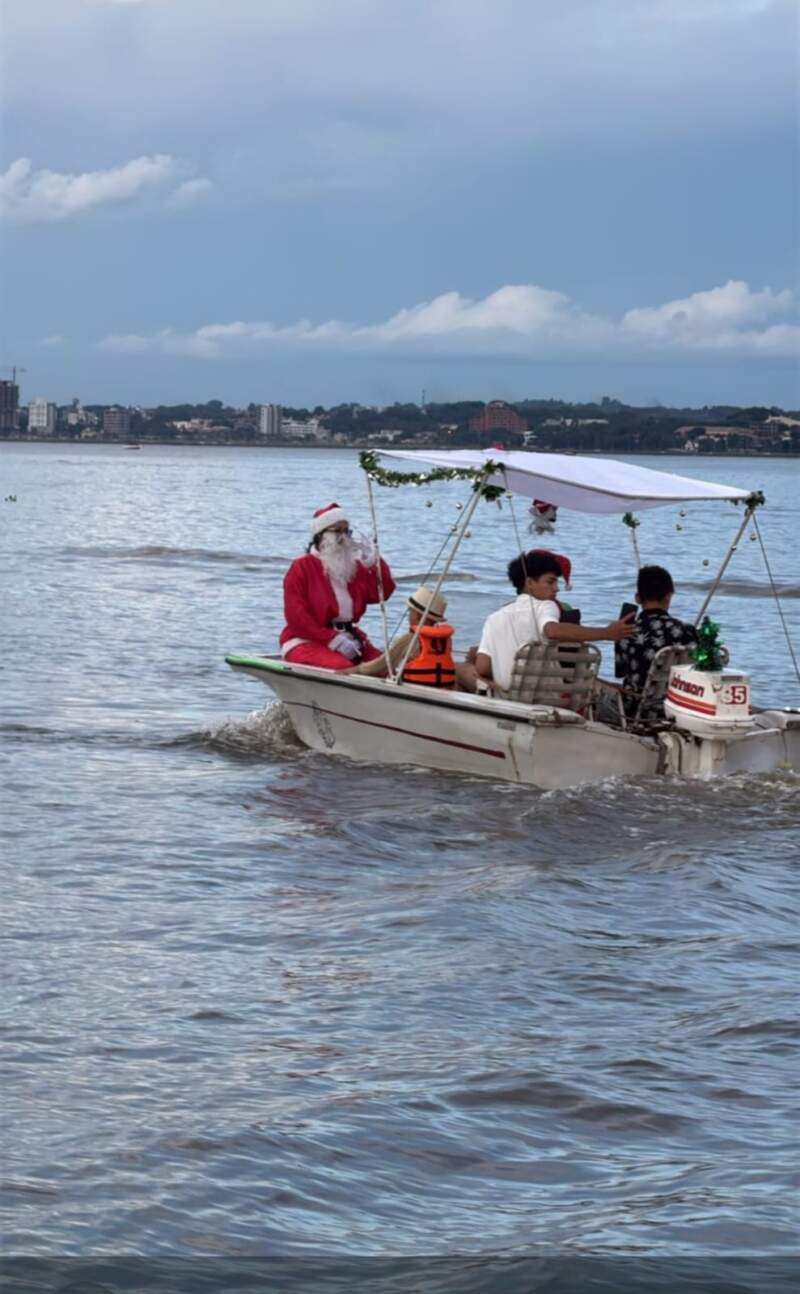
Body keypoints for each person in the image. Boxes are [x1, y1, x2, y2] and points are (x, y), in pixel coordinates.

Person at [475, 550, 635, 694]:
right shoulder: (545, 606)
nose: (556, 588)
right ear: (529, 583)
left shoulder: (493, 618)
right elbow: (552, 630)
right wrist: (606, 633)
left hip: (507, 699)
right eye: (550, 582)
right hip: (549, 699)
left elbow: (482, 667)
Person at [280, 502, 396, 669]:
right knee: (342, 667)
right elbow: (296, 617)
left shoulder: (353, 567)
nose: (344, 537)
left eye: (347, 531)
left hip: (349, 640)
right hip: (306, 641)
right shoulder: (302, 567)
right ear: (321, 535)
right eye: (338, 531)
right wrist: (332, 639)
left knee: (386, 667)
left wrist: (375, 562)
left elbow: (383, 593)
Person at [614, 565, 698, 716]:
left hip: (634, 708)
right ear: (668, 596)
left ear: (637, 598)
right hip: (677, 707)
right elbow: (697, 672)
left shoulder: (624, 631)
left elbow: (620, 672)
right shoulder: (687, 630)